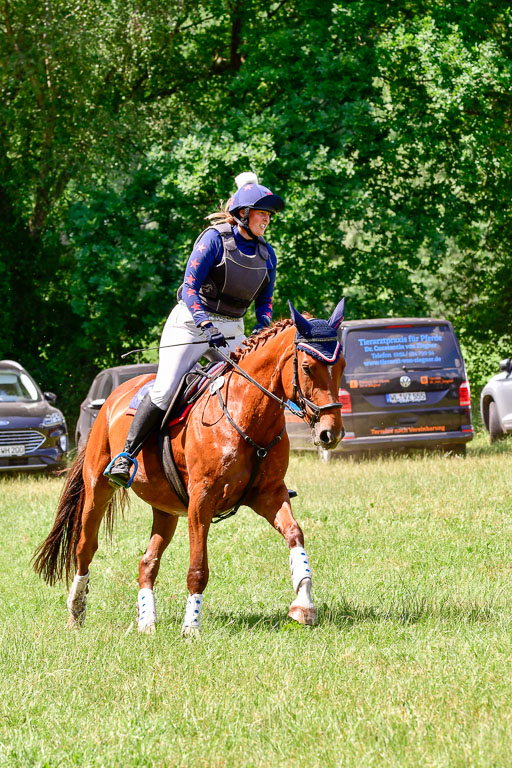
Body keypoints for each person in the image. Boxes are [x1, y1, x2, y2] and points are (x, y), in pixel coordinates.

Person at [106, 172, 284, 487]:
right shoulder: (214, 239)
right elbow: (189, 289)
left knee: (254, 389)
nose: (266, 220)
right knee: (165, 388)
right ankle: (126, 455)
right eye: (261, 213)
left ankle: (265, 473)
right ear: (242, 214)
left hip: (232, 328)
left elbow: (265, 305)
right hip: (190, 323)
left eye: (269, 215)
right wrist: (204, 324)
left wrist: (262, 329)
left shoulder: (267, 254)